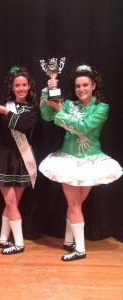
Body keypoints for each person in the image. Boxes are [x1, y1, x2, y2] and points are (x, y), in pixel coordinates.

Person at [39, 64, 123, 262]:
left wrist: (60, 109)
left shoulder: (101, 108)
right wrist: (47, 90)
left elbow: (83, 128)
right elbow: (46, 115)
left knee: (76, 204)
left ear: (93, 85)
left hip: (91, 161)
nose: (81, 89)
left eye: (85, 85)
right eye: (78, 86)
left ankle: (72, 243)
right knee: (74, 204)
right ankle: (78, 247)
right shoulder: (69, 104)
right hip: (67, 159)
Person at [0, 66, 39, 255]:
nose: (21, 88)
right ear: (12, 87)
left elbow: (25, 126)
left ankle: (4, 238)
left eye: (24, 85)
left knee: (13, 203)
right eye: (17, 85)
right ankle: (18, 243)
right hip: (3, 158)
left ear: (29, 87)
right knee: (11, 202)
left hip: (22, 158)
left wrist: (6, 113)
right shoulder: (6, 105)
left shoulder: (33, 109)